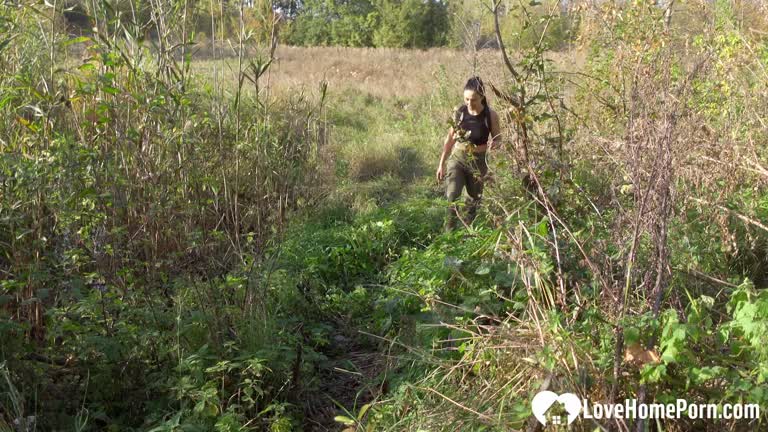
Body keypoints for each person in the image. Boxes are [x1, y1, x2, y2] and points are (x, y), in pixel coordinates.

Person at [436, 76, 501, 232]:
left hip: (478, 161)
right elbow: (449, 139)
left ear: (482, 97)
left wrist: (494, 150)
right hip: (458, 158)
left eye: (473, 100)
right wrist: (441, 164)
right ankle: (449, 234)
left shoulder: (490, 116)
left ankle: (467, 234)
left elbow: (498, 140)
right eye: (466, 99)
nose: (469, 103)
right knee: (452, 196)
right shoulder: (460, 112)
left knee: (473, 200)